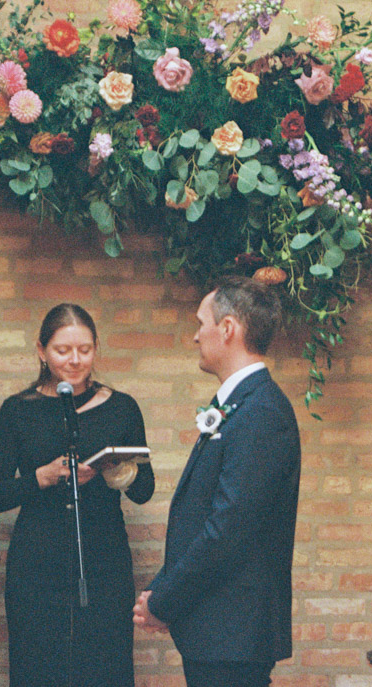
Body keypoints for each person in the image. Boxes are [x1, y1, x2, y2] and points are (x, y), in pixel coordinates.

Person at [133, 276, 301, 687]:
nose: (195, 336)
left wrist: (166, 601)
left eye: (201, 323)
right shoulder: (241, 404)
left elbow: (228, 529)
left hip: (234, 633)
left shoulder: (262, 412)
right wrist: (161, 590)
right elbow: (204, 516)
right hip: (218, 632)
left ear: (227, 329)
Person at [0, 303, 154, 687]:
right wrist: (40, 478)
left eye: (85, 350)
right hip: (37, 561)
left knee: (105, 666)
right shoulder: (17, 411)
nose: (75, 361)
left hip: (104, 559)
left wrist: (119, 471)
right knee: (39, 668)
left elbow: (145, 491)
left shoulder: (121, 408)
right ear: (41, 351)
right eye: (63, 351)